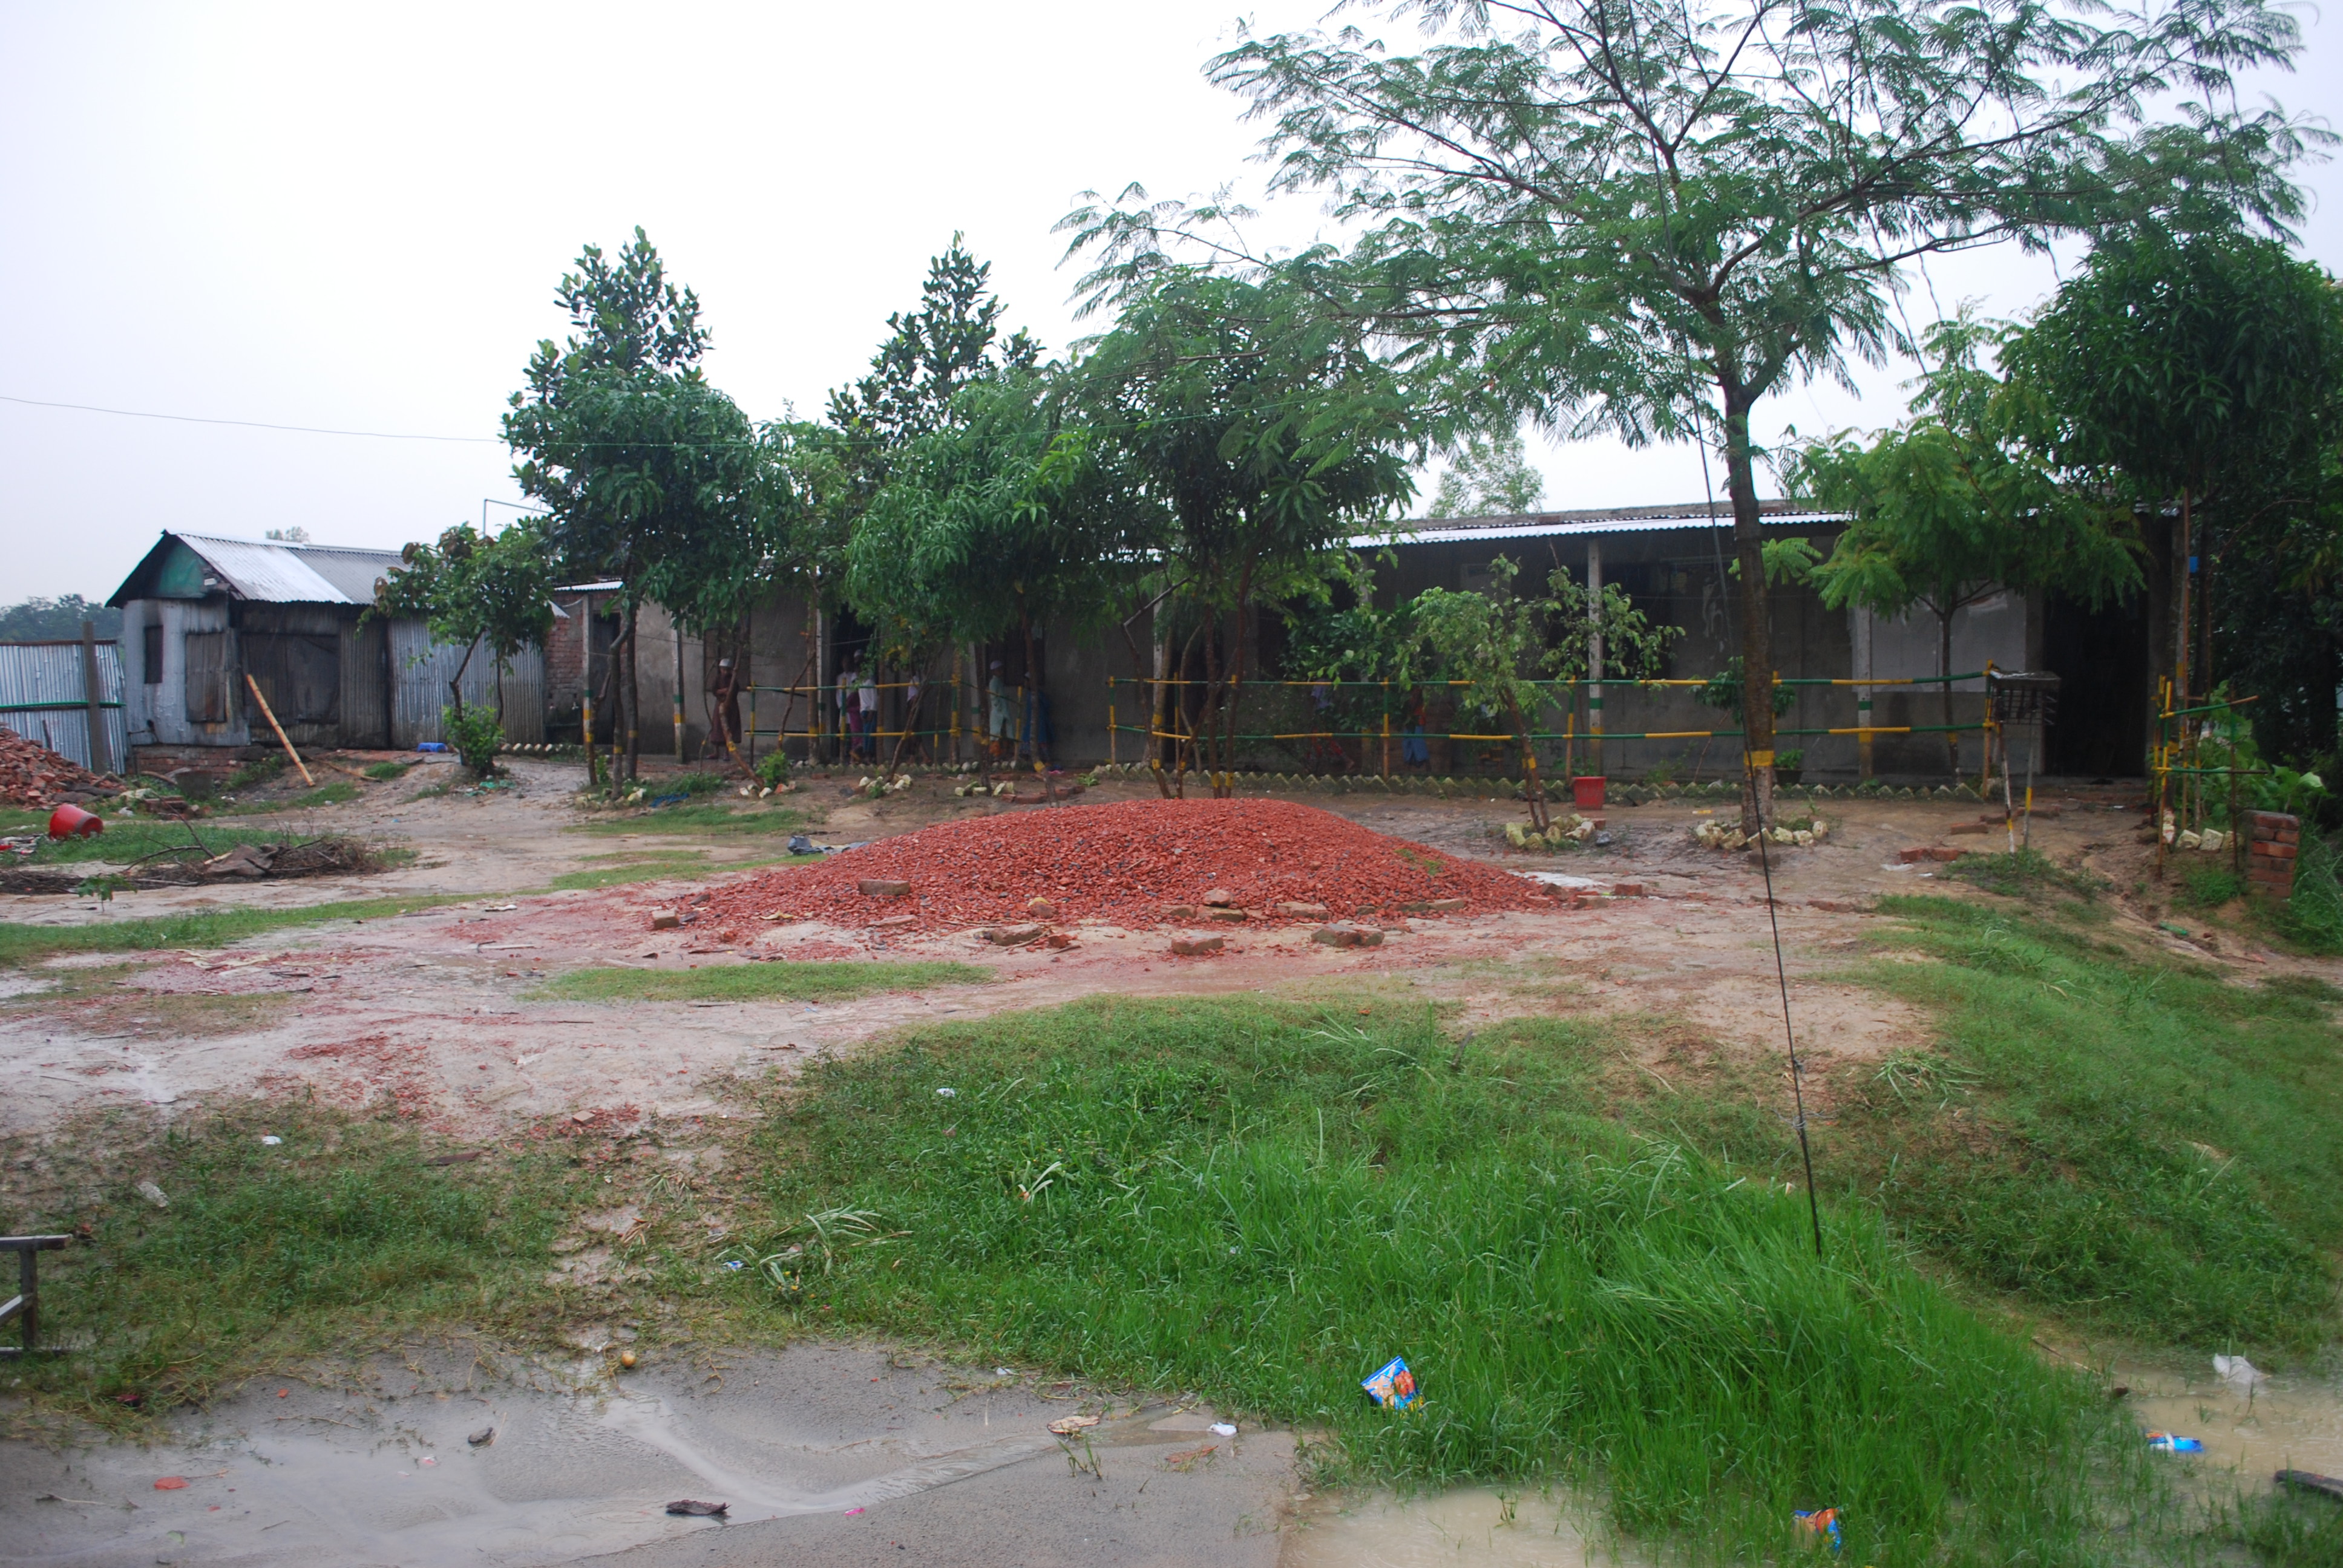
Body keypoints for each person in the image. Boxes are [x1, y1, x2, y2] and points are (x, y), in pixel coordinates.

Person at [709, 657, 744, 758]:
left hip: (731, 707)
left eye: (727, 670)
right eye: (723, 669)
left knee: (729, 728)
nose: (725, 672)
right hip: (720, 705)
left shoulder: (733, 680)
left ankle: (727, 753)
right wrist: (722, 691)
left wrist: (729, 692)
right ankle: (716, 752)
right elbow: (714, 690)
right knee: (717, 727)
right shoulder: (718, 678)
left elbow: (735, 691)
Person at [986, 661, 1014, 757]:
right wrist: (998, 708)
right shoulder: (994, 682)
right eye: (999, 670)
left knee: (1004, 733)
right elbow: (994, 697)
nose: (1001, 671)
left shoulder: (999, 682)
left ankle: (1005, 753)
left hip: (1003, 711)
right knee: (996, 734)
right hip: (998, 712)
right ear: (994, 671)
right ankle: (996, 755)